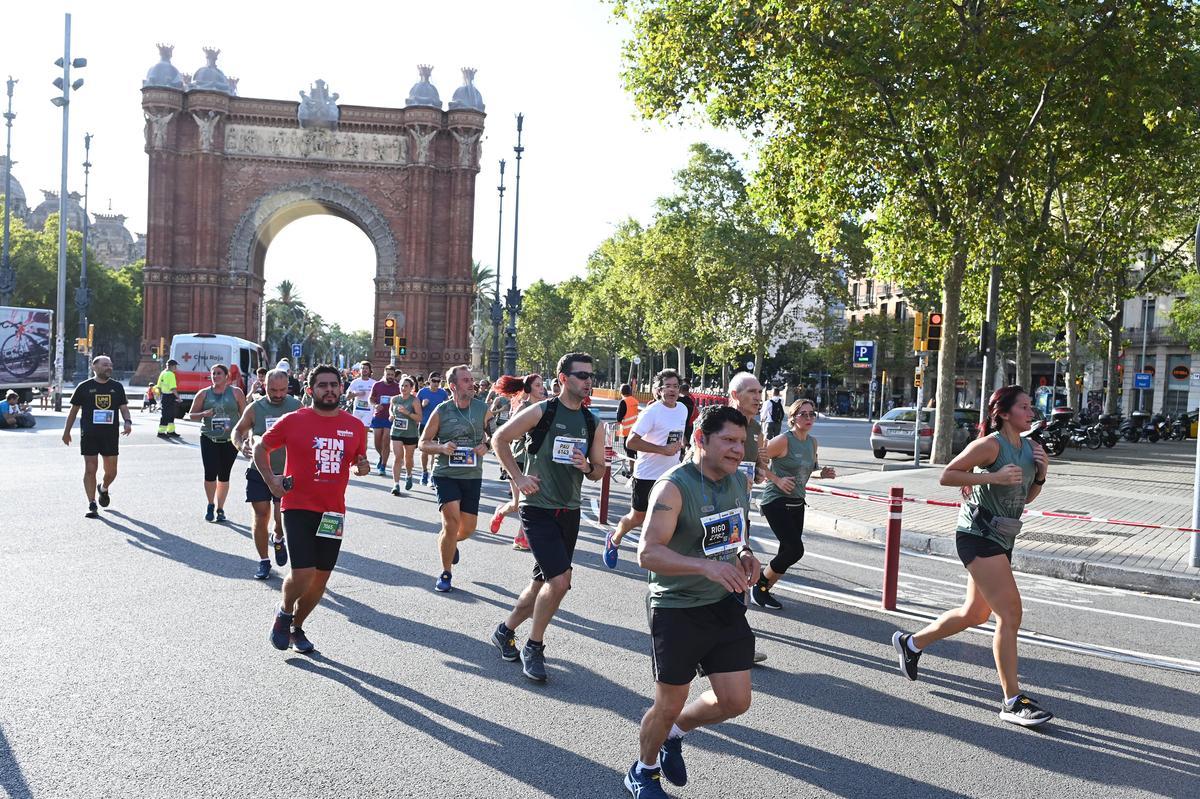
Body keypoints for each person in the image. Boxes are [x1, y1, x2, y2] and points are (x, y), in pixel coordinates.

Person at [891, 385, 1053, 727]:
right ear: (1005, 413)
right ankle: (1012, 700)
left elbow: (1026, 500)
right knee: (1010, 614)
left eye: (1030, 406)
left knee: (975, 613)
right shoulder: (990, 445)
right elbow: (946, 475)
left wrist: (1040, 474)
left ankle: (911, 643)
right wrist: (992, 475)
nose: (1031, 411)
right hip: (977, 536)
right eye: (1024, 406)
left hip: (1003, 535)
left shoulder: (1029, 448)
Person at [624, 405, 761, 798]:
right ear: (701, 439)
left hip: (724, 602)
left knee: (736, 701)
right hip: (677, 606)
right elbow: (648, 554)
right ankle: (642, 771)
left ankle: (675, 734)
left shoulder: (738, 481)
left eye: (742, 441)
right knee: (668, 702)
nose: (738, 450)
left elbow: (736, 534)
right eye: (729, 441)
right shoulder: (673, 487)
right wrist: (705, 568)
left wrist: (746, 554)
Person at [490, 353, 606, 682]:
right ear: (564, 378)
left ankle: (504, 630)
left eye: (590, 375)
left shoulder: (592, 423)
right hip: (537, 507)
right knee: (560, 581)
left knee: (542, 582)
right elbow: (499, 439)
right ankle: (534, 646)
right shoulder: (542, 411)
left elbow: (599, 471)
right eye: (581, 375)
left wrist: (587, 467)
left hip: (569, 510)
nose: (588, 381)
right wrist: (519, 478)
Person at [259, 364, 370, 654]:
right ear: (310, 390)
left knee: (321, 579)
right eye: (323, 385)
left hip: (333, 512)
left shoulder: (355, 426)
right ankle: (284, 611)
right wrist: (272, 481)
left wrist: (363, 466)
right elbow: (261, 447)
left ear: (341, 388)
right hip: (297, 506)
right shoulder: (293, 420)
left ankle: (295, 626)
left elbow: (360, 460)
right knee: (304, 572)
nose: (330, 389)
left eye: (334, 384)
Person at [750, 398, 836, 610]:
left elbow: (808, 470)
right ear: (792, 418)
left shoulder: (812, 442)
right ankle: (759, 585)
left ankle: (763, 591)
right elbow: (757, 461)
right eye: (803, 414)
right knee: (795, 550)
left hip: (798, 502)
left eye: (812, 414)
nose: (808, 418)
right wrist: (776, 479)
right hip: (775, 501)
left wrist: (821, 473)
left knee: (786, 552)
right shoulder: (784, 440)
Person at [419, 365, 492, 593]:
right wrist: (441, 447)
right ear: (453, 386)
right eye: (466, 380)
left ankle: (450, 544)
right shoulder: (442, 410)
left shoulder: (483, 409)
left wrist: (486, 445)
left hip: (472, 475)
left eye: (471, 379)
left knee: (467, 529)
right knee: (450, 523)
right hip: (445, 474)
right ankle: (446, 573)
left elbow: (495, 435)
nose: (472, 383)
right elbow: (423, 442)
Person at [604, 369, 688, 568]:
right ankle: (614, 538)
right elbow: (631, 442)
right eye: (667, 386)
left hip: (671, 476)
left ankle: (662, 557)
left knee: (673, 516)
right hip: (647, 475)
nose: (672, 390)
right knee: (637, 517)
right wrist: (662, 449)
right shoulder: (651, 412)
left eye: (675, 386)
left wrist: (682, 443)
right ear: (658, 390)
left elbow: (676, 435)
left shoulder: (682, 409)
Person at [233, 368, 302, 580]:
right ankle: (264, 561)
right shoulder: (256, 407)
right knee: (261, 514)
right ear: (265, 386)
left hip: (286, 471)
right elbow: (237, 430)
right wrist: (240, 446)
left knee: (282, 518)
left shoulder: (296, 406)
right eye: (273, 390)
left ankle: (279, 537)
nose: (279, 394)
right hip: (259, 470)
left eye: (283, 390)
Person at [62, 356, 133, 518]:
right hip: (89, 433)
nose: (109, 367)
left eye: (110, 365)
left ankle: (104, 488)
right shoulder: (84, 387)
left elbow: (124, 408)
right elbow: (73, 411)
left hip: (110, 434)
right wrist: (66, 432)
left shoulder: (117, 387)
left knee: (111, 472)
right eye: (105, 365)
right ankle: (91, 503)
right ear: (94, 367)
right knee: (90, 468)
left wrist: (127, 421)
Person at [488, 373, 547, 551]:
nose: (542, 388)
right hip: (518, 458)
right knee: (517, 504)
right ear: (528, 389)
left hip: (536, 459)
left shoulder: (545, 408)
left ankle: (522, 537)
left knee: (531, 500)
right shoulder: (524, 407)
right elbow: (510, 433)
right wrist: (527, 433)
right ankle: (501, 512)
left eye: (542, 384)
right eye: (537, 385)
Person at [189, 363, 247, 523]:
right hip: (209, 438)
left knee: (224, 474)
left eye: (219, 374)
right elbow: (191, 415)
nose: (215, 376)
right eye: (213, 374)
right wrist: (203, 413)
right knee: (210, 472)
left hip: (230, 440)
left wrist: (246, 436)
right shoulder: (203, 394)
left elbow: (245, 415)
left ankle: (220, 508)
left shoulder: (236, 393)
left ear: (227, 376)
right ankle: (210, 504)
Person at [388, 375, 422, 494]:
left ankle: (409, 475)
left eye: (406, 386)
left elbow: (419, 418)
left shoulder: (414, 400)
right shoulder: (395, 399)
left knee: (408, 458)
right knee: (397, 457)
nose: (403, 388)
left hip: (410, 433)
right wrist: (391, 415)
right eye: (402, 385)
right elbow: (391, 410)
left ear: (411, 388)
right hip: (396, 431)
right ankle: (396, 485)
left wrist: (407, 412)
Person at [416, 370, 450, 485]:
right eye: (434, 381)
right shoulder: (422, 392)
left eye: (438, 381)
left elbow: (448, 408)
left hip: (438, 425)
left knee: (435, 451)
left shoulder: (443, 393)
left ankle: (432, 475)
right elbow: (415, 408)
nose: (436, 383)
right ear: (429, 381)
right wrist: (422, 405)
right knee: (424, 450)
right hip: (424, 424)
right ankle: (424, 472)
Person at [369, 365, 401, 475]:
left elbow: (402, 399)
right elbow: (371, 398)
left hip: (390, 417)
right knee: (377, 442)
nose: (390, 376)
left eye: (392, 375)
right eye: (388, 374)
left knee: (386, 440)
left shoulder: (398, 387)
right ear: (384, 374)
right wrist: (376, 405)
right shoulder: (377, 385)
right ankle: (382, 456)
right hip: (378, 416)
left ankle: (383, 465)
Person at [346, 361, 377, 429]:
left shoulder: (374, 383)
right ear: (360, 370)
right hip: (357, 410)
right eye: (362, 368)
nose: (364, 370)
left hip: (368, 411)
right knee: (356, 430)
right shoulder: (355, 382)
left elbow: (377, 397)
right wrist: (358, 394)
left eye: (366, 368)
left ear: (369, 370)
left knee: (364, 431)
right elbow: (347, 397)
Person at [155, 358, 180, 439]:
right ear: (171, 366)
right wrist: (178, 397)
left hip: (164, 396)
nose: (176, 368)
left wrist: (158, 397)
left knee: (169, 414)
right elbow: (173, 388)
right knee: (167, 414)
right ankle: (161, 432)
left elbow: (158, 386)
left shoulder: (163, 373)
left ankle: (171, 431)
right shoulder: (171, 374)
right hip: (169, 396)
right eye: (175, 366)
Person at [614, 383, 640, 463]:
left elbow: (619, 418)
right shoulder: (635, 401)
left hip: (627, 431)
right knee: (636, 450)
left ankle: (631, 469)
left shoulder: (623, 402)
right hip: (636, 430)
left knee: (629, 451)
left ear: (621, 392)